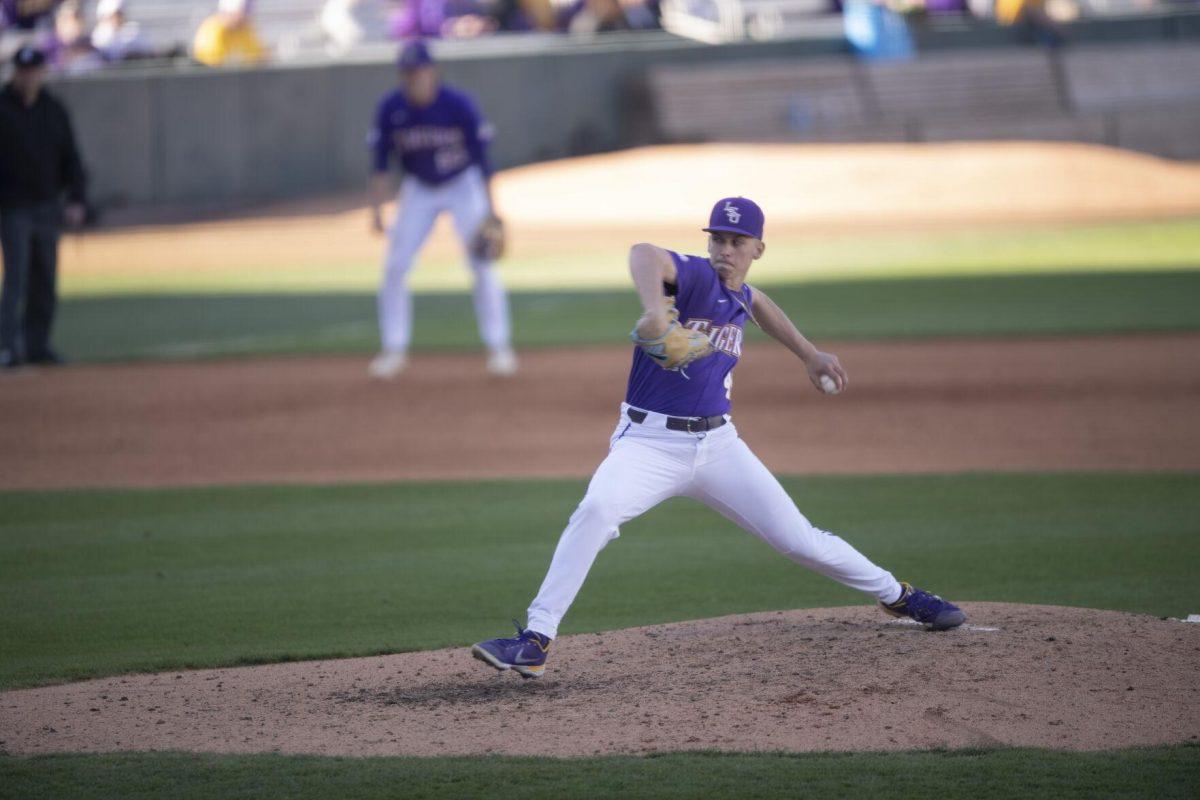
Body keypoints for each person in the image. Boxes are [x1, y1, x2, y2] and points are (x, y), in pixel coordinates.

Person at [471, 196, 966, 679]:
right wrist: (655, 312)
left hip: (720, 448)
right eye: (718, 240)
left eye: (737, 241)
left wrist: (809, 354)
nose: (725, 250)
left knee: (799, 540)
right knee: (597, 511)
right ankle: (535, 641)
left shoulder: (739, 295)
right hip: (648, 445)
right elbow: (643, 252)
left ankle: (898, 596)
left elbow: (759, 304)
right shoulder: (696, 277)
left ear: (758, 250)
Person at [367, 39, 515, 378]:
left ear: (432, 72)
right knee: (394, 266)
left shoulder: (458, 105)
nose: (414, 78)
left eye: (419, 71)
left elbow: (482, 161)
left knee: (482, 264)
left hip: (463, 185)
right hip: (419, 188)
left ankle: (499, 347)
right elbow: (380, 164)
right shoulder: (391, 108)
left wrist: (492, 209)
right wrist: (376, 211)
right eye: (408, 73)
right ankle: (393, 349)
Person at [0, 45, 87, 368]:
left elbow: (71, 157)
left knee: (45, 278)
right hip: (12, 207)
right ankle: (8, 347)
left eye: (34, 70)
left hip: (47, 204)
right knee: (16, 278)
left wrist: (77, 197)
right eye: (23, 71)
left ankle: (38, 344)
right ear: (14, 72)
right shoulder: (2, 108)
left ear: (42, 72)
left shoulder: (52, 109)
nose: (28, 77)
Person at [191, 0, 266, 67]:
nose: (243, 18)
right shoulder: (213, 30)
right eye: (240, 14)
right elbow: (212, 65)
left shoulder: (245, 30)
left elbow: (257, 60)